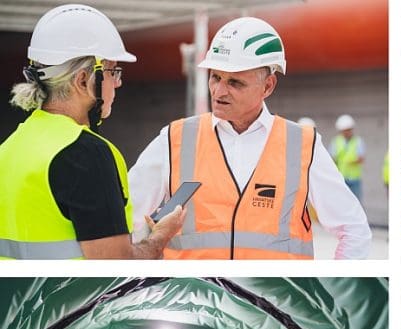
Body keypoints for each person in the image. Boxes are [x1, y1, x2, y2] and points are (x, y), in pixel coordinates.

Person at [128, 17, 370, 259]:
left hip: (276, 298)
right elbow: (119, 221)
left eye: (235, 82)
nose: (219, 91)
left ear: (268, 86)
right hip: (196, 296)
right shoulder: (174, 140)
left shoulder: (303, 146)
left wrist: (335, 294)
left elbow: (354, 230)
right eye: (215, 77)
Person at [0, 4, 182, 259]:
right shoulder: (87, 155)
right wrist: (161, 235)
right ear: (83, 80)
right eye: (113, 72)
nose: (117, 82)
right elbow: (116, 264)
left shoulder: (10, 148)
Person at [330, 114, 365, 202]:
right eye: (345, 130)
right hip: (340, 178)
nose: (347, 132)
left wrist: (347, 161)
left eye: (349, 130)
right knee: (342, 202)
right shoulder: (335, 142)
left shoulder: (358, 141)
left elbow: (361, 159)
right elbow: (331, 160)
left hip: (354, 179)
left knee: (356, 202)